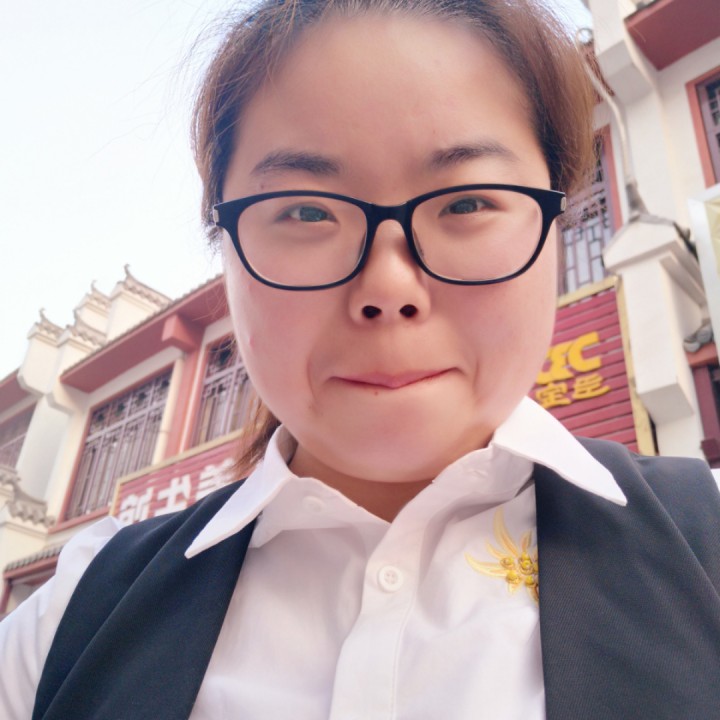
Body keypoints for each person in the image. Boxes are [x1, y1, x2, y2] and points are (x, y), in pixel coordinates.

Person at [2, 0, 719, 718]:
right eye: (307, 211)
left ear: (558, 218)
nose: (388, 289)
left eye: (466, 203)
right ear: (225, 251)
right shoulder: (70, 620)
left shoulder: (704, 541)